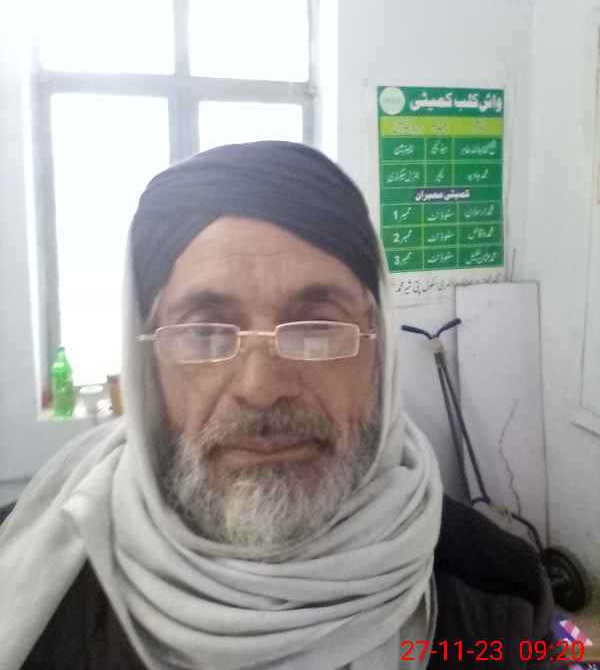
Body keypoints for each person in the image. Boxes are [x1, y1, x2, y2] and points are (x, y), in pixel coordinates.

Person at [0, 141, 553, 669]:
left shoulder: (498, 599)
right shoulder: (32, 589)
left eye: (317, 327)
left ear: (379, 350)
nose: (262, 387)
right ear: (148, 366)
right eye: (205, 332)